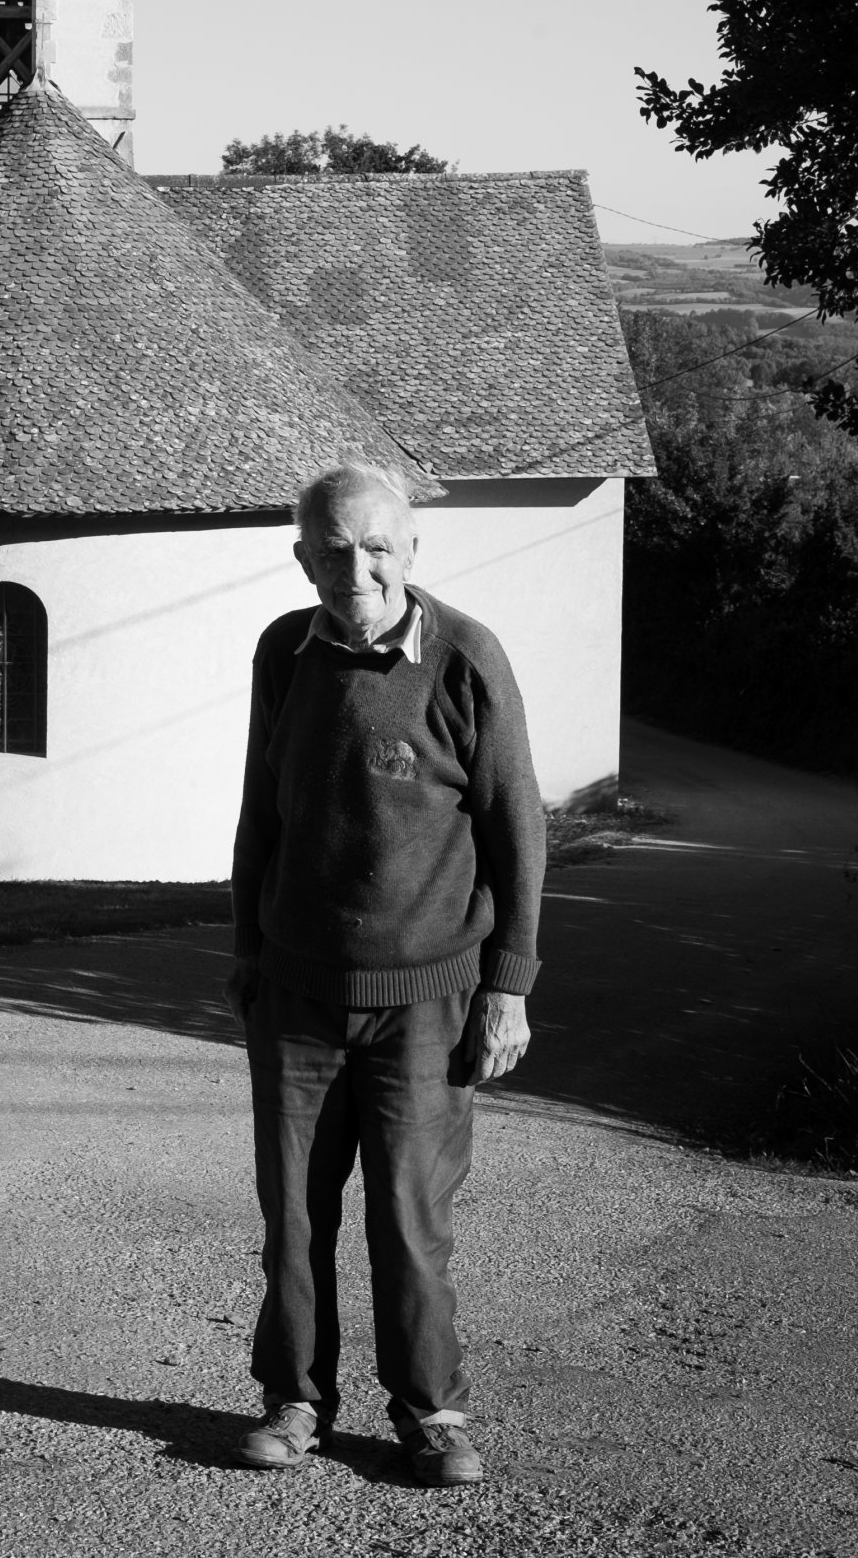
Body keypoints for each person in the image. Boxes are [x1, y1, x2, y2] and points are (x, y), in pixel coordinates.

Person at [226, 459, 546, 1488]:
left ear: (410, 551)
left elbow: (517, 829)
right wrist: (246, 950)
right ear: (302, 553)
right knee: (295, 1216)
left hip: (426, 1000)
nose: (352, 566)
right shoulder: (286, 651)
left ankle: (432, 1409)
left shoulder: (464, 658)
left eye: (374, 546)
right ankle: (294, 1399)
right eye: (331, 546)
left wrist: (510, 983)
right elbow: (260, 819)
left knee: (410, 1220)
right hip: (299, 997)